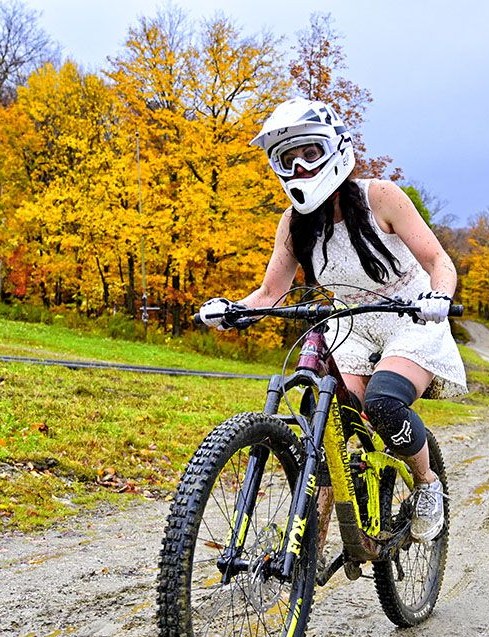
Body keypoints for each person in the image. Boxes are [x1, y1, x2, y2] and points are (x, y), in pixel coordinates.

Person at [198, 97, 467, 543]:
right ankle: (308, 547)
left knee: (382, 403)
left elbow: (439, 260)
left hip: (410, 316)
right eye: (289, 159)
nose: (301, 168)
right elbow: (270, 292)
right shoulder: (293, 223)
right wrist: (233, 309)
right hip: (351, 325)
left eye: (311, 153)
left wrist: (439, 297)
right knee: (330, 424)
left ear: (336, 149)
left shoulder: (380, 196)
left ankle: (427, 486)